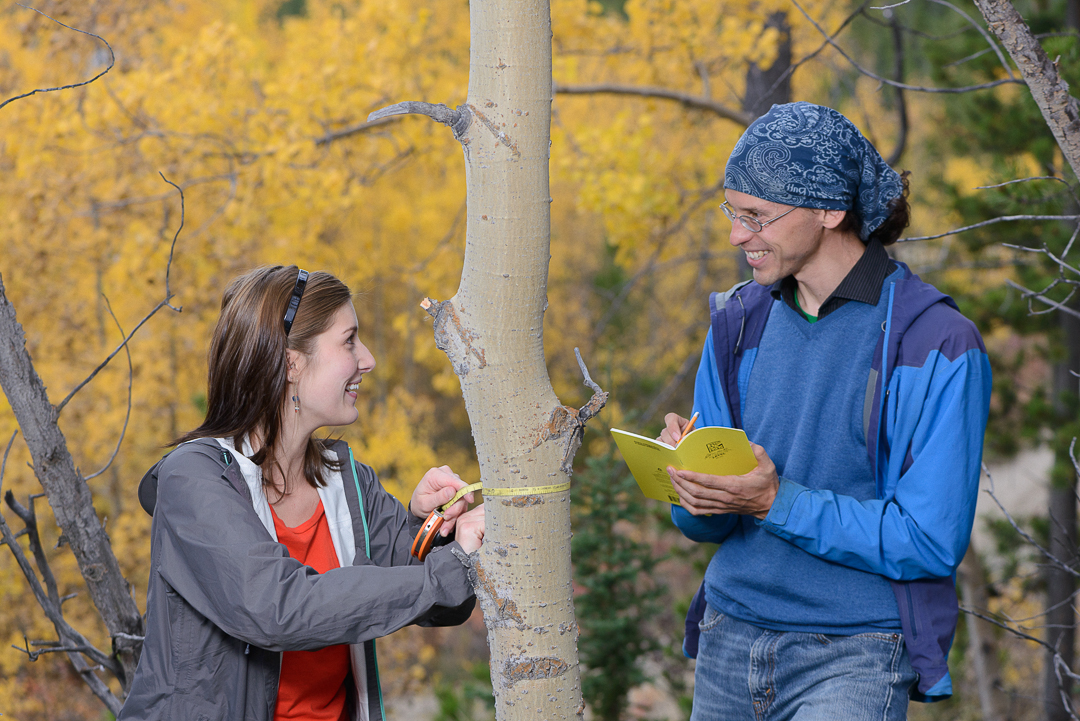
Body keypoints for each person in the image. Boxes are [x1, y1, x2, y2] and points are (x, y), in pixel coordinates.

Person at [661, 102, 991, 720]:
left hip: (857, 654)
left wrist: (771, 500)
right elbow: (704, 527)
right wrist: (691, 485)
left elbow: (928, 541)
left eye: (757, 217)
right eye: (733, 213)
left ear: (829, 212)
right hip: (728, 639)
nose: (737, 235)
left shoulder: (937, 344)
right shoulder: (737, 322)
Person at [118, 266, 485, 721]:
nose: (367, 359)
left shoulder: (345, 478)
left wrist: (437, 528)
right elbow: (276, 607)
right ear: (292, 362)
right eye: (349, 340)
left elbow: (439, 598)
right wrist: (446, 572)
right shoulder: (192, 479)